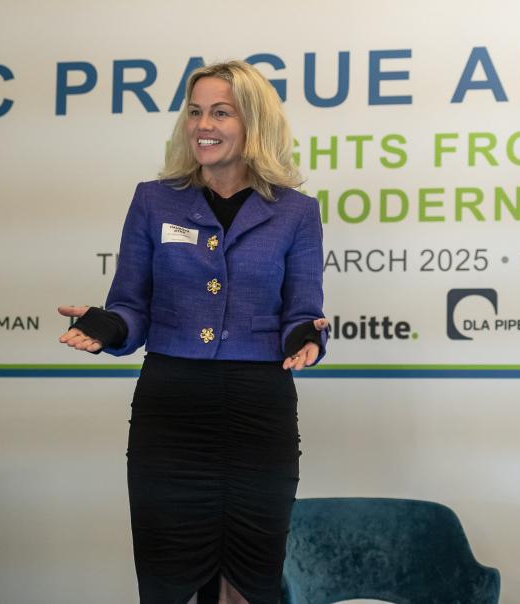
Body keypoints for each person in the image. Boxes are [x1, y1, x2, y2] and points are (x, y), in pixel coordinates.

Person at [57, 60, 328, 604]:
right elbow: (131, 305)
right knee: (168, 579)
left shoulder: (296, 212)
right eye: (196, 111)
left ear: (254, 123)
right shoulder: (153, 200)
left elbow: (303, 310)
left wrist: (307, 338)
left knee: (247, 584)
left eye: (221, 113)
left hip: (257, 413)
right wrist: (108, 326)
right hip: (172, 409)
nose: (204, 124)